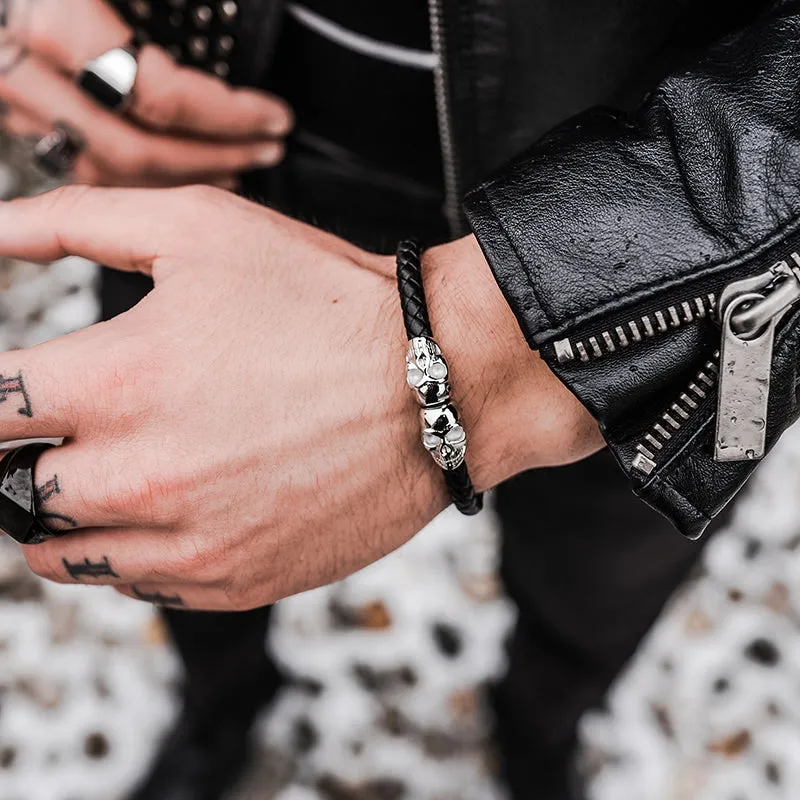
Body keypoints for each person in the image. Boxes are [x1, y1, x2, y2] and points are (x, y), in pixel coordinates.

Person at [0, 1, 797, 799]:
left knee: (593, 592)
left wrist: (480, 347)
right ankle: (221, 706)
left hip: (636, 204)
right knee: (172, 532)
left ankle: (538, 732)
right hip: (202, 151)